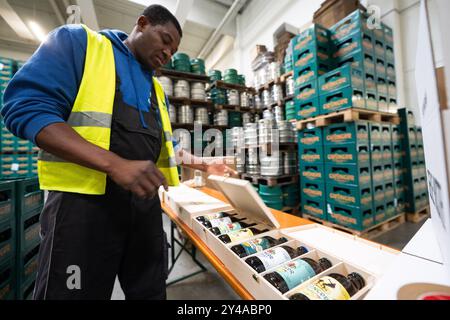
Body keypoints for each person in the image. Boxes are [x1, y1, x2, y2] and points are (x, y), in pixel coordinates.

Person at [1, 4, 236, 300]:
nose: (167, 53)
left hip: (144, 209)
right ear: (141, 23)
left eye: (173, 51)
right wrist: (114, 164)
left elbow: (165, 145)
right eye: (164, 40)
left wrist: (205, 165)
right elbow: (24, 108)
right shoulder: (81, 44)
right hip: (83, 207)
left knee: (151, 290)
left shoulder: (156, 89)